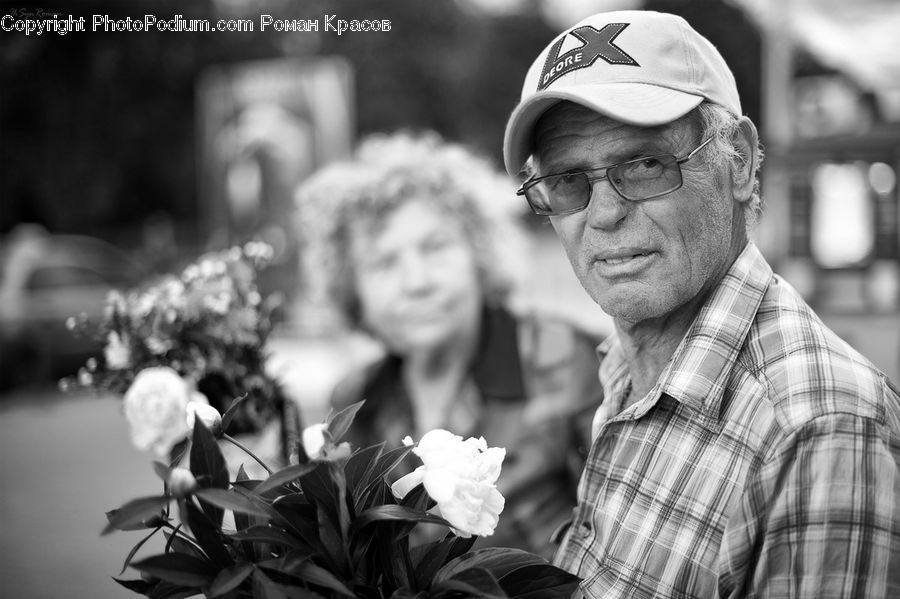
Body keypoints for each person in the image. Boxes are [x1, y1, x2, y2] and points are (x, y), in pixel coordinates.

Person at [502, 9, 900, 598]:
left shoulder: (819, 428)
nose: (604, 213)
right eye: (567, 181)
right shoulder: (624, 364)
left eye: (643, 164)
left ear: (737, 160)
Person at [294, 132, 605, 558]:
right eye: (383, 263)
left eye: (435, 247)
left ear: (480, 254)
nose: (417, 282)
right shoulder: (354, 400)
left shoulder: (573, 360)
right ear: (352, 290)